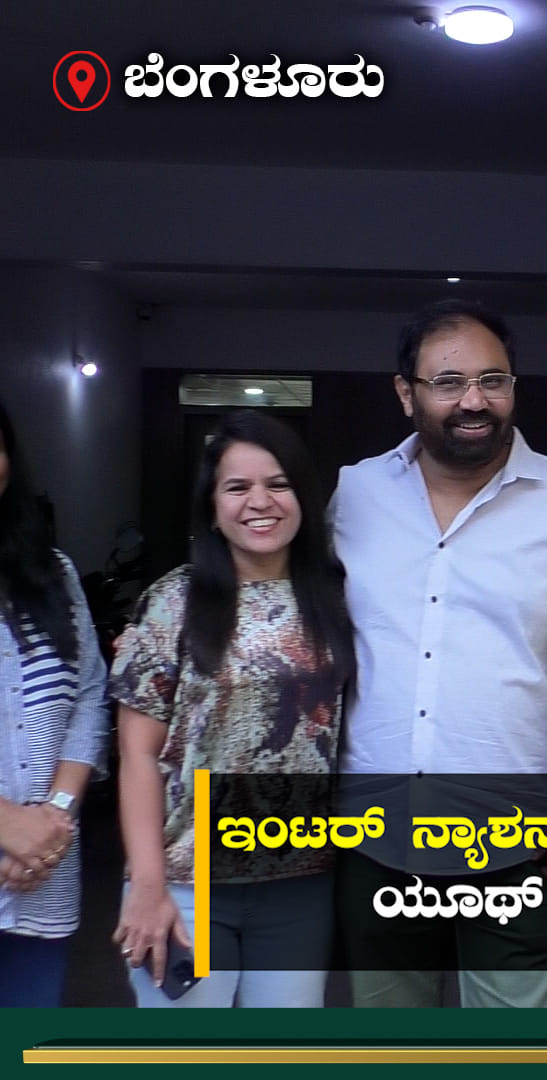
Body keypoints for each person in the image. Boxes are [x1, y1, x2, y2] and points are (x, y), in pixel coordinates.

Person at [331, 298, 547, 1007]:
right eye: (448, 382)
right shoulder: (354, 493)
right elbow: (290, 611)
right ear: (405, 392)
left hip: (528, 838)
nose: (474, 401)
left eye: (492, 380)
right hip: (373, 833)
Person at [109, 410, 354, 1007]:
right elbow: (137, 755)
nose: (259, 502)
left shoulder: (336, 596)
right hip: (187, 880)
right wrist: (147, 885)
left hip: (301, 880)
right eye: (237, 487)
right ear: (213, 507)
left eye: (278, 484)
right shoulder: (173, 601)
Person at [0, 396, 109, 1007]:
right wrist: (8, 825)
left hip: (44, 874)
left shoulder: (52, 573)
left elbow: (89, 695)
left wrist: (52, 821)